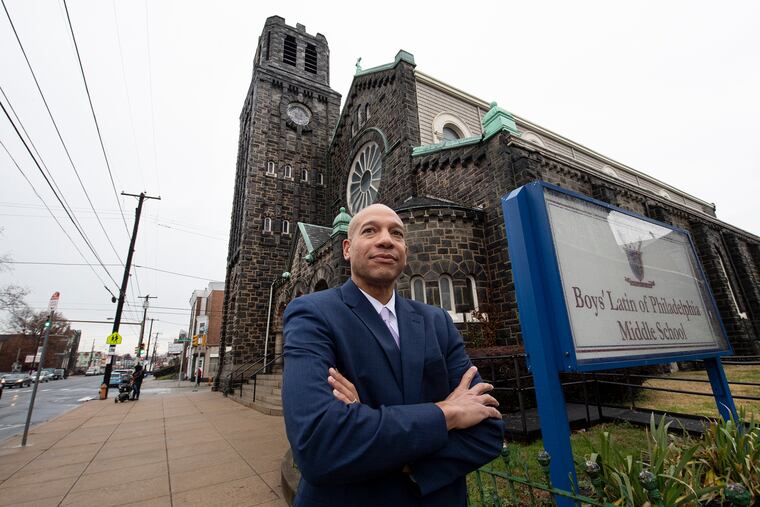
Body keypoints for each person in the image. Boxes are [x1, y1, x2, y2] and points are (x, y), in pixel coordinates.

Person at [282, 204, 504, 507]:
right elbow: (320, 444)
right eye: (370, 230)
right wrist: (447, 413)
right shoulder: (313, 314)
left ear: (405, 250)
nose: (386, 240)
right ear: (347, 249)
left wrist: (365, 428)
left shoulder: (437, 321)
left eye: (396, 233)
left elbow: (488, 430)